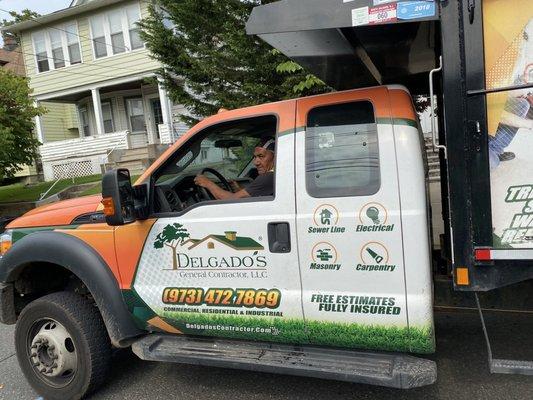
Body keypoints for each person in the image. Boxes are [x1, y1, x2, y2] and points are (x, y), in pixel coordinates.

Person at [194, 139, 275, 199]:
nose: (256, 162)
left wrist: (207, 183)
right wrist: (240, 189)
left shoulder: (269, 177)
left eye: (261, 156)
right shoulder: (274, 175)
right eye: (255, 157)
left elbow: (230, 200)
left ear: (275, 157)